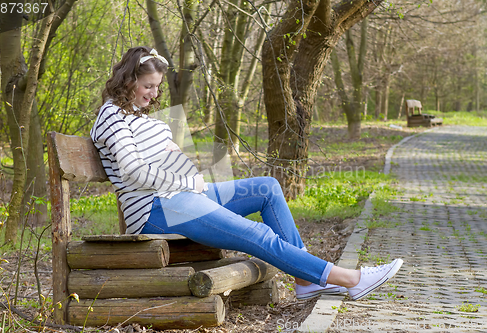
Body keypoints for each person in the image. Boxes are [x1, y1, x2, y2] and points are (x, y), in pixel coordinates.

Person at [90, 46, 403, 301]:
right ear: (129, 80)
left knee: (266, 188)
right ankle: (350, 279)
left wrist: (177, 161)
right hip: (156, 209)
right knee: (258, 234)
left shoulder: (140, 117)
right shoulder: (112, 115)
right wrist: (185, 177)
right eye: (148, 86)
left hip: (181, 196)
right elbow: (132, 171)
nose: (153, 94)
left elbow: (166, 159)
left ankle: (306, 280)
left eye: (157, 87)